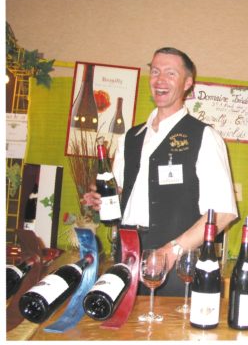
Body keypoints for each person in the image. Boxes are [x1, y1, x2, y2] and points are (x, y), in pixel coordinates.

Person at [83, 47, 238, 296]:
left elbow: (222, 214)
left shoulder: (204, 137)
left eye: (170, 73)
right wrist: (104, 199)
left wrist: (171, 251)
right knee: (126, 330)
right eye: (155, 71)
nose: (160, 79)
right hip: (127, 253)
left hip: (176, 264)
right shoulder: (131, 137)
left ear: (188, 83)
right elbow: (124, 193)